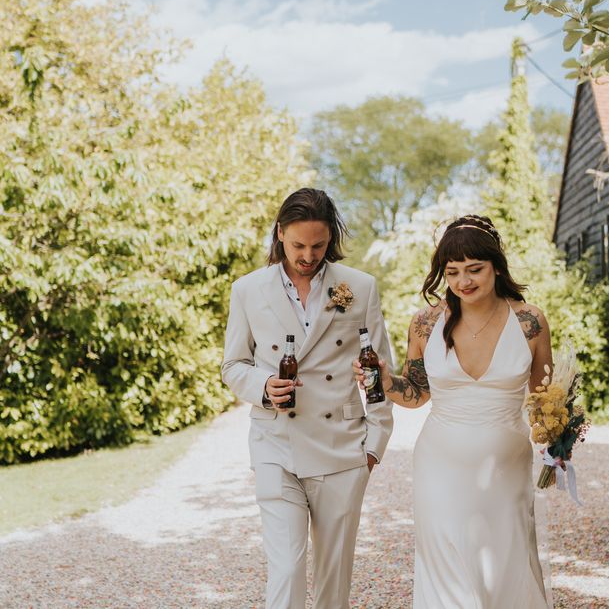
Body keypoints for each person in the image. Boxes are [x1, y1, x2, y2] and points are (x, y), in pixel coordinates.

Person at [353, 214, 551, 608]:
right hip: (439, 465)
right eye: (453, 271)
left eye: (475, 269)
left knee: (505, 563)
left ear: (496, 265)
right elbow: (416, 393)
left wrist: (559, 434)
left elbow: (546, 398)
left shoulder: (530, 321)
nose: (464, 281)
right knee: (446, 568)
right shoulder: (426, 323)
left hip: (505, 469)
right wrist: (383, 378)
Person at [222, 188, 394, 609]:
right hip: (275, 444)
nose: (308, 255)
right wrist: (263, 386)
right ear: (280, 233)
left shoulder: (359, 287)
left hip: (342, 450)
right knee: (286, 568)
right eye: (298, 244)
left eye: (318, 245)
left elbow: (379, 371)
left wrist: (374, 446)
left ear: (330, 238)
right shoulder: (247, 290)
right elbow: (233, 365)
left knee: (335, 576)